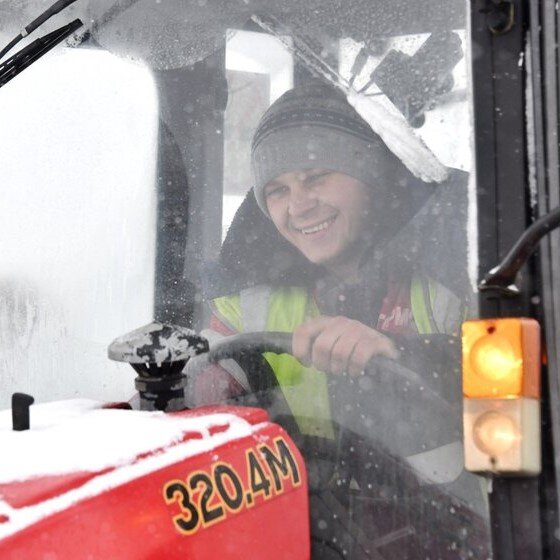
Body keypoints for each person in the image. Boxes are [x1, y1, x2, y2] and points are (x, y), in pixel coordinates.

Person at [188, 83, 489, 560]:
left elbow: (527, 388)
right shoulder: (248, 302)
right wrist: (188, 386)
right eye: (278, 190)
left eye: (318, 176)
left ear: (370, 175)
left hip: (466, 534)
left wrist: (404, 353)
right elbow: (199, 381)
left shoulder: (465, 275)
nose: (299, 205)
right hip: (311, 536)